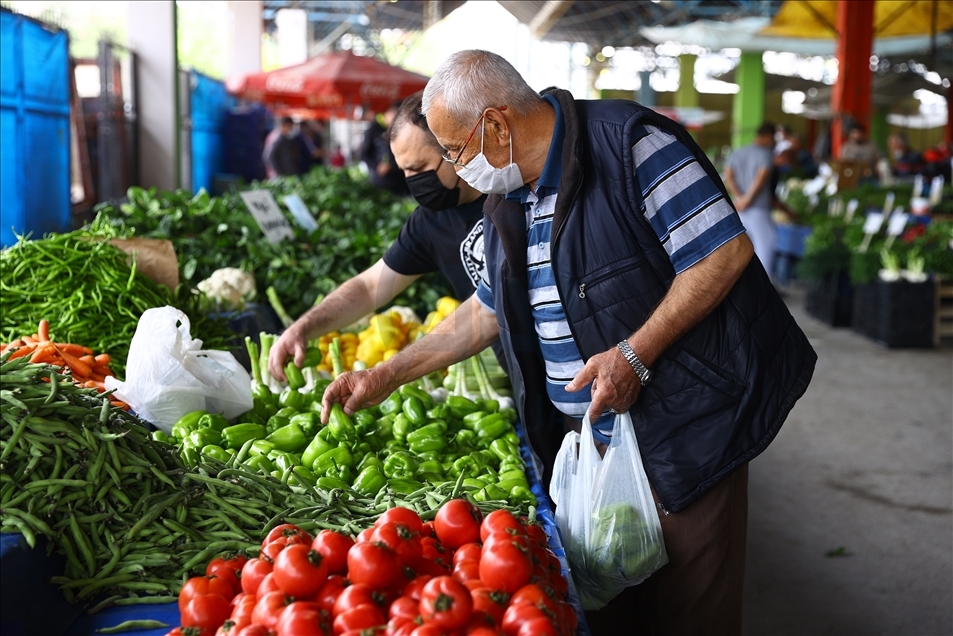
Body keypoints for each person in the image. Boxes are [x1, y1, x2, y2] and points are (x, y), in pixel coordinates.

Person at [320, 50, 816, 635]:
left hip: (689, 427)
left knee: (691, 608)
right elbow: (483, 312)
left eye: (454, 151)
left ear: (497, 126)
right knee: (624, 603)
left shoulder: (630, 144)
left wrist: (637, 352)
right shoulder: (509, 197)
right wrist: (386, 375)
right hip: (601, 440)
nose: (456, 168)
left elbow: (722, 252)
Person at [268, 91, 490, 379]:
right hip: (519, 380)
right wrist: (303, 328)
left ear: (453, 148)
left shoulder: (510, 199)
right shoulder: (429, 221)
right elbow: (370, 287)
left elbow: (489, 311)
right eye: (404, 171)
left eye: (419, 168)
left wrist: (388, 374)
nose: (412, 181)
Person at [723, 122, 780, 281]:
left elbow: (728, 177)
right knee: (766, 247)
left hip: (738, 208)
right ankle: (764, 289)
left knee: (741, 250)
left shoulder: (738, 152)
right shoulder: (765, 154)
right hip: (757, 208)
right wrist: (747, 199)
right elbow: (760, 178)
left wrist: (740, 198)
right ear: (768, 136)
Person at [360, 101, 411, 196]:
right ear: (389, 112)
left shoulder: (402, 129)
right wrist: (377, 166)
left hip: (401, 179)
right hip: (381, 181)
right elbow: (364, 154)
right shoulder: (374, 129)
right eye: (395, 115)